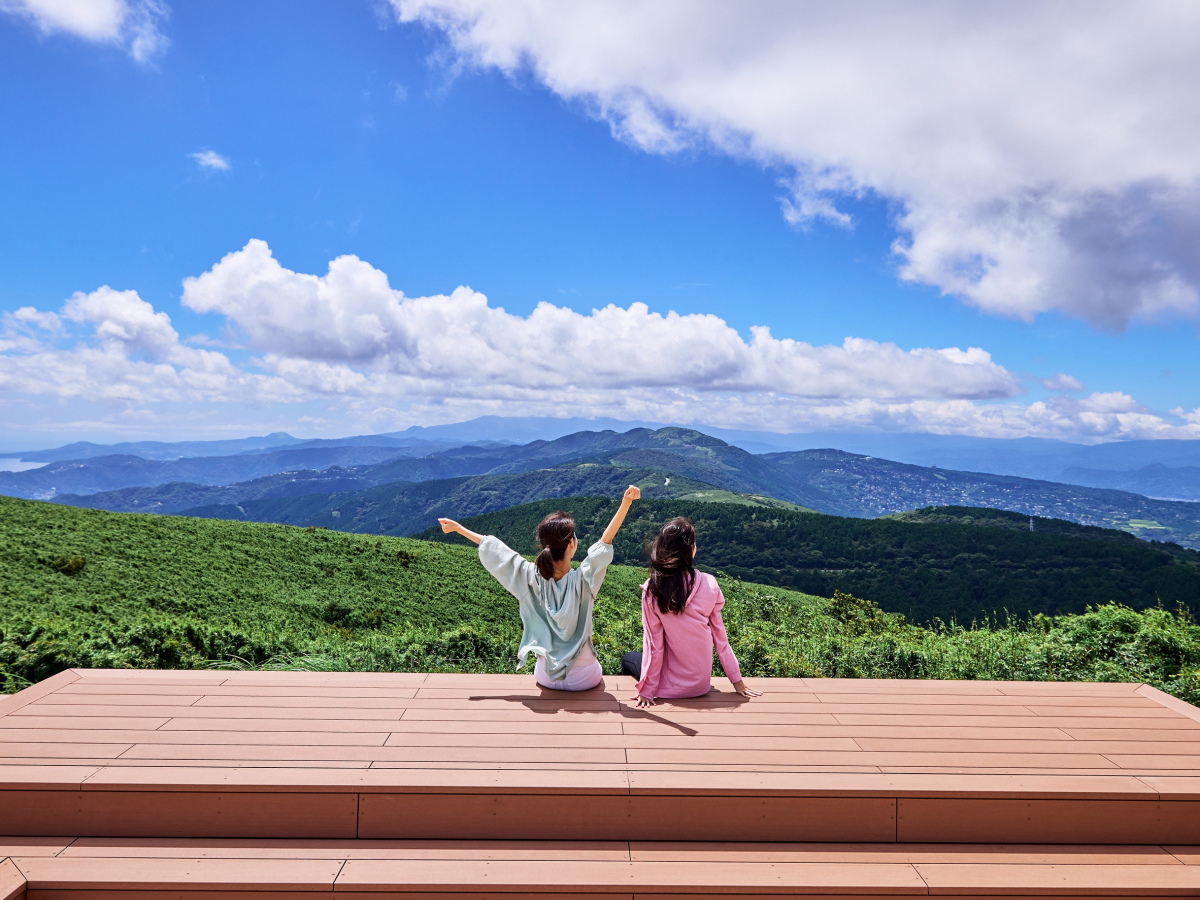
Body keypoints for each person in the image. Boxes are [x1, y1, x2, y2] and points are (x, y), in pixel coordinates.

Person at [438, 485, 640, 691]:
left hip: (546, 676)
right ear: (571, 544)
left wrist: (458, 529)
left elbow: (497, 551)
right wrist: (626, 502)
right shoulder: (585, 580)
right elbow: (605, 542)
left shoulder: (529, 577)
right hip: (583, 678)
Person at [625, 516, 762, 707]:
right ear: (691, 549)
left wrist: (648, 690)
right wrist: (736, 680)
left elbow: (654, 645)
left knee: (629, 658)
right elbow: (721, 640)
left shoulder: (653, 589)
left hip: (665, 687)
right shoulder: (710, 583)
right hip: (700, 686)